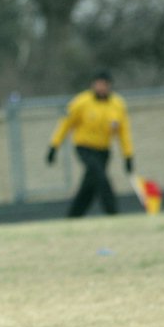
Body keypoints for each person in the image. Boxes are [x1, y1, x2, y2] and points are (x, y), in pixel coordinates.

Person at [46, 70, 135, 217]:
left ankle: (74, 216)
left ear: (109, 86)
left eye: (103, 85)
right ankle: (113, 212)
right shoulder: (81, 102)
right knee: (101, 177)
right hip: (85, 147)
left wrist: (128, 156)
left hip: (104, 150)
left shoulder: (118, 105)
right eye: (97, 84)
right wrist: (54, 146)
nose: (100, 88)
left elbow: (124, 133)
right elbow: (65, 124)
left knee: (90, 184)